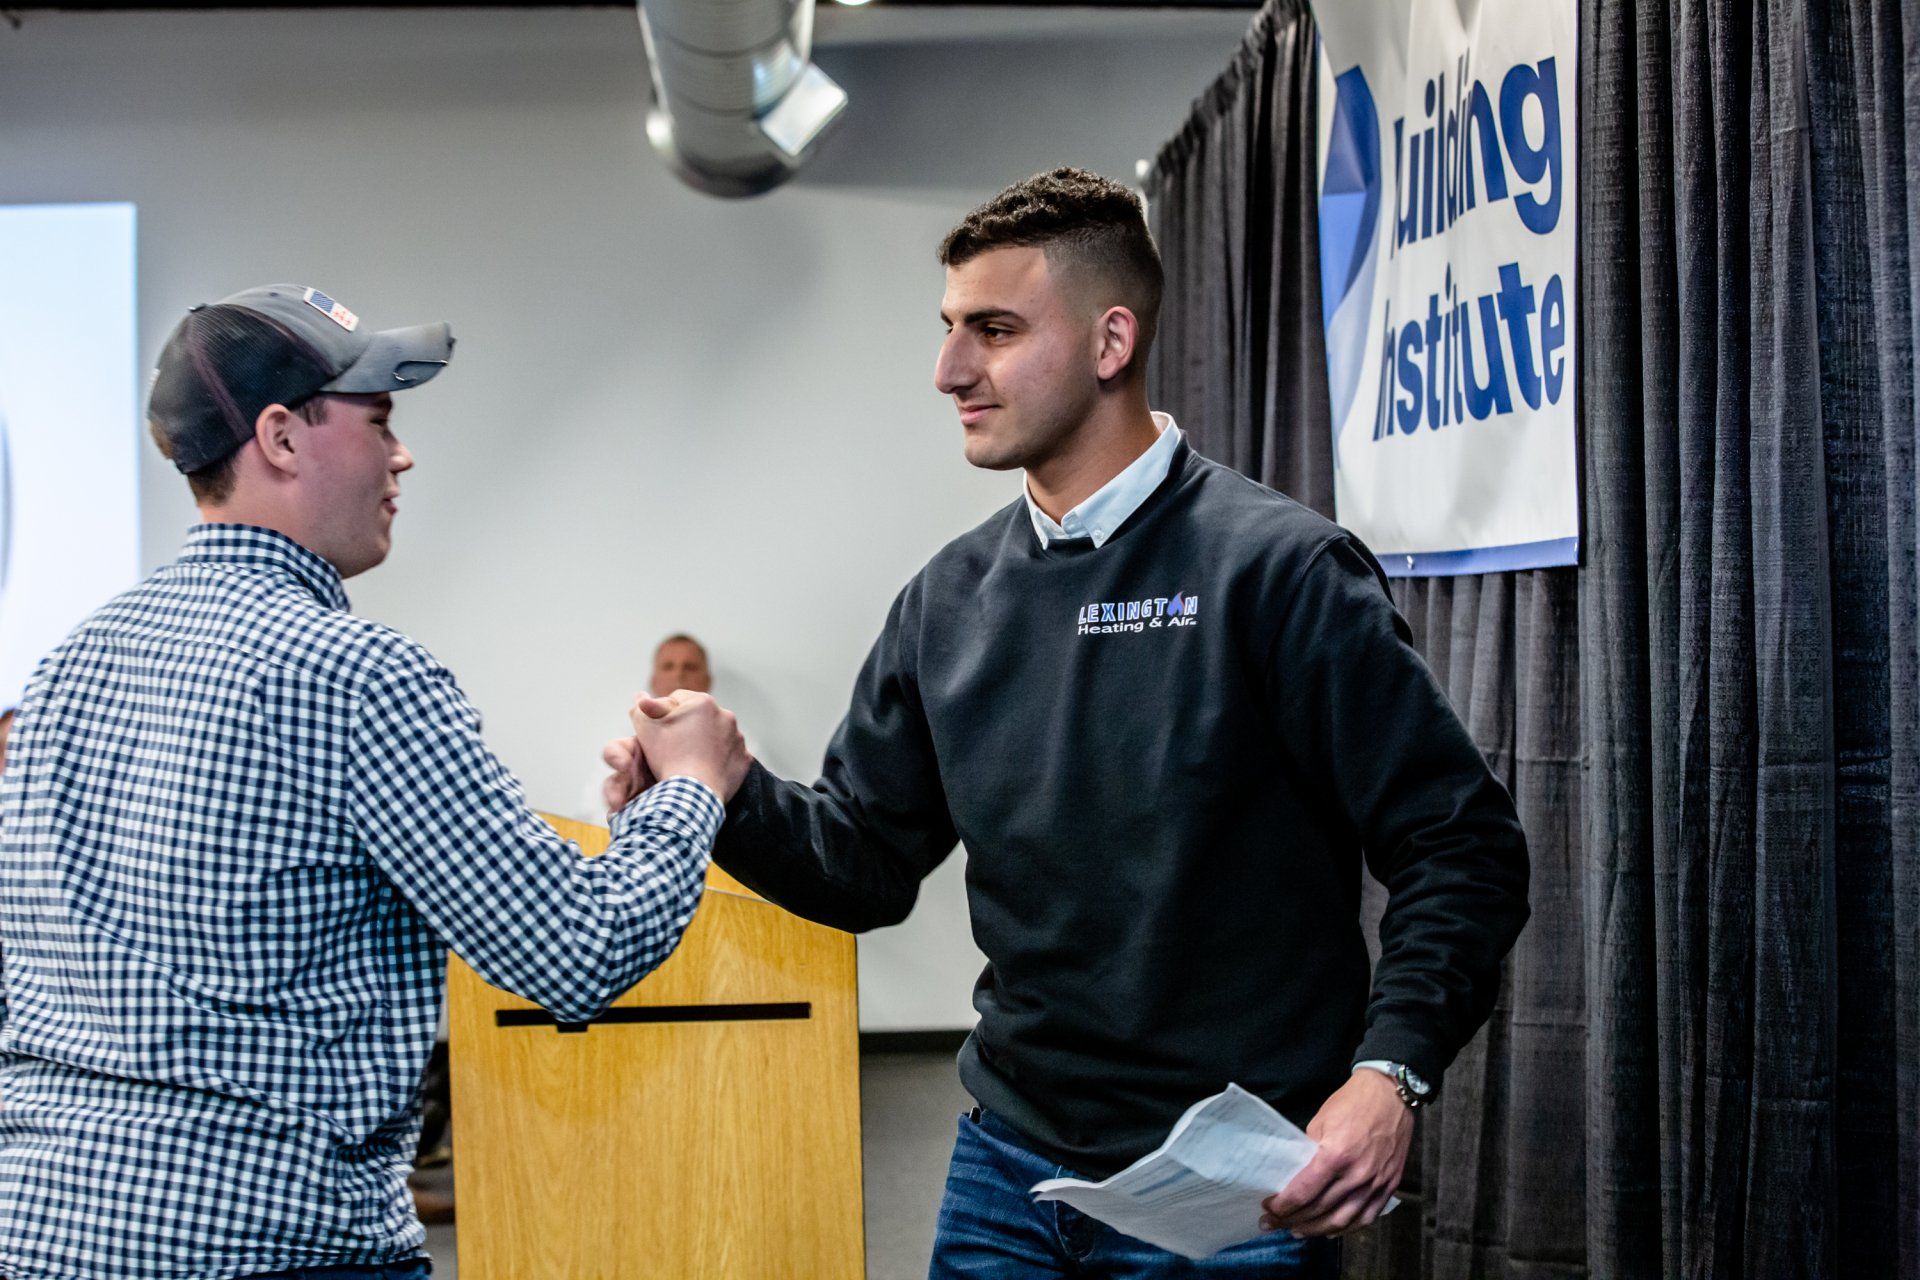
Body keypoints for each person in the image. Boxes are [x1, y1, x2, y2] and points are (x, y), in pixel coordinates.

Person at [608, 168, 1530, 1277]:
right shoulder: (947, 601)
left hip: (1229, 1185)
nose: (949, 370)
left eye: (994, 331)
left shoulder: (1279, 571)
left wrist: (1391, 1074)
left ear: (1110, 342)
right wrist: (722, 792)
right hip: (1008, 1165)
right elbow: (866, 860)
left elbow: (1459, 844)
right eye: (949, 328)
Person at [0, 284, 748, 1280]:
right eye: (380, 420)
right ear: (280, 437)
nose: (402, 456)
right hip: (276, 1246)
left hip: (41, 1234)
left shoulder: (67, 665)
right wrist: (692, 786)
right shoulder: (357, 675)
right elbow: (576, 949)